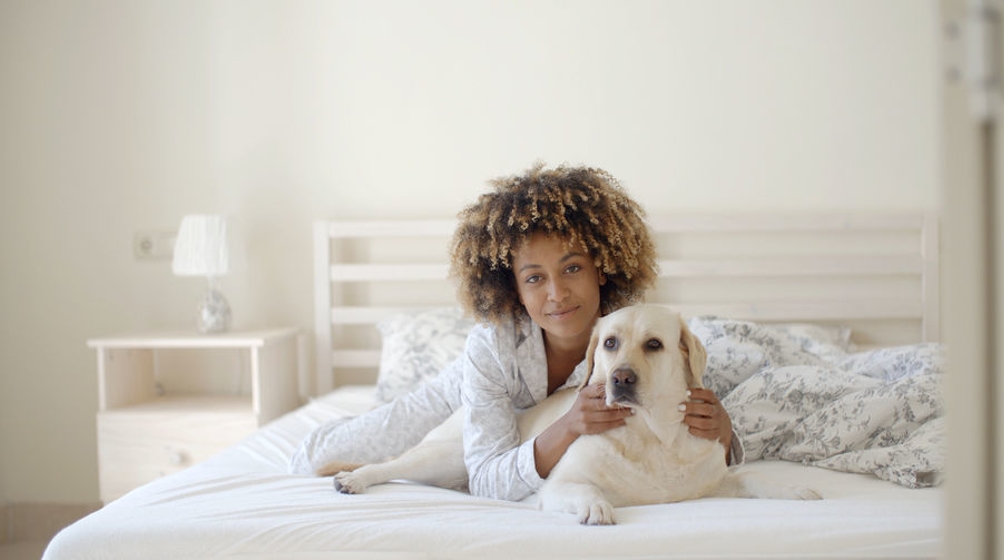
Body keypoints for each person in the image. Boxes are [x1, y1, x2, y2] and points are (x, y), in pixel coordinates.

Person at [289, 163, 740, 501]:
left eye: (573, 268)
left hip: (523, 434)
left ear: (601, 268)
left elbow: (683, 417)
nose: (557, 293)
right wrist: (565, 428)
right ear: (513, 289)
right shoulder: (491, 345)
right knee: (313, 458)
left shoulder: (629, 335)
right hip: (461, 400)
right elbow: (485, 476)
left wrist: (726, 436)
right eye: (534, 278)